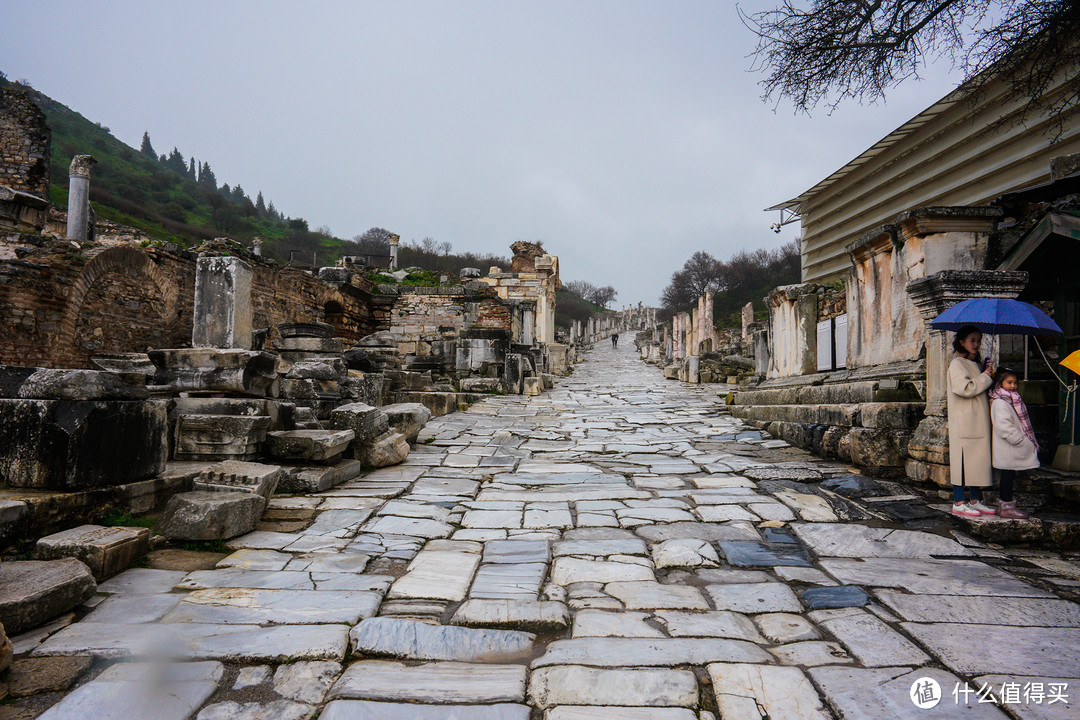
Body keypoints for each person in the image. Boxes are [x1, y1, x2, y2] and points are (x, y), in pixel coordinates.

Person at [946, 325, 997, 517]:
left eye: (978, 340)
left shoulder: (975, 364)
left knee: (976, 460)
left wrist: (987, 371)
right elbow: (965, 388)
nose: (976, 344)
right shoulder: (956, 364)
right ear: (962, 342)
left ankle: (975, 500)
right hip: (964, 419)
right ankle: (959, 501)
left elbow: (982, 386)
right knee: (961, 460)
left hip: (979, 419)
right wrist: (985, 377)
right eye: (972, 340)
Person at [989, 368, 1035, 519]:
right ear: (999, 384)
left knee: (1009, 476)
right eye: (1009, 382)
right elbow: (1003, 427)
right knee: (1007, 477)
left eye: (1015, 382)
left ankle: (1006, 507)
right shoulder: (1000, 403)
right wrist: (1020, 440)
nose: (1013, 385)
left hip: (1009, 448)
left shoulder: (1012, 400)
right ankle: (1006, 508)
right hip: (1008, 447)